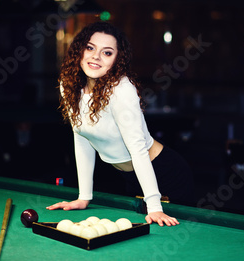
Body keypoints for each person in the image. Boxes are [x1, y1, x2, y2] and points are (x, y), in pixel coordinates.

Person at [47, 22, 194, 226]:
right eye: (90, 48)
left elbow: (138, 149)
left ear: (117, 60)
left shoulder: (122, 90)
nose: (96, 56)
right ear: (79, 50)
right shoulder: (69, 84)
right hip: (129, 176)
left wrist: (155, 206)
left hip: (163, 172)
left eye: (107, 53)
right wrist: (84, 197)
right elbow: (81, 139)